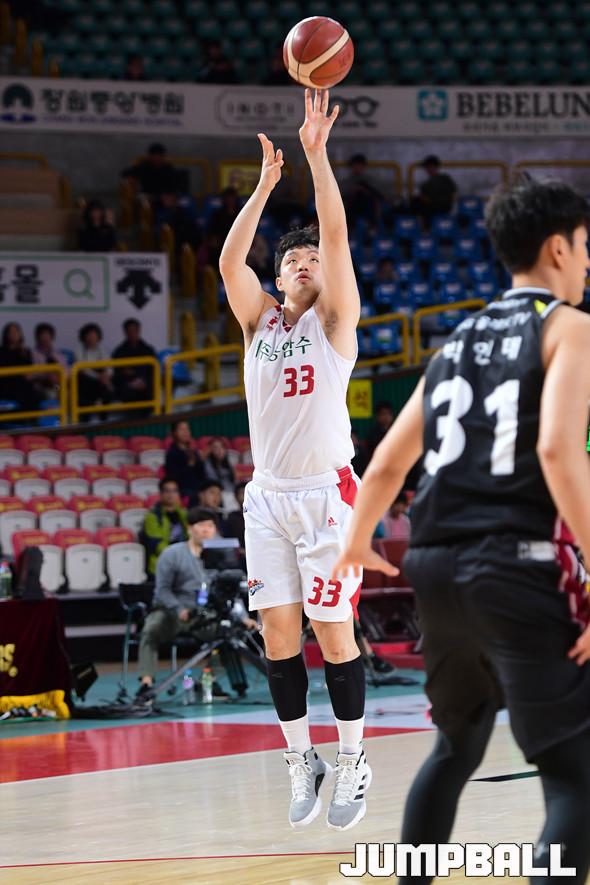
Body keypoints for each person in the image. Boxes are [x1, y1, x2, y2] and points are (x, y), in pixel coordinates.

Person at [333, 177, 590, 883]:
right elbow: (558, 451)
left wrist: (356, 543)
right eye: (585, 246)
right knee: (574, 773)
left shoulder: (455, 342)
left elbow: (388, 463)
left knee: (457, 745)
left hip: (435, 566)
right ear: (558, 248)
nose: (587, 261)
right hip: (512, 561)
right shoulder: (569, 327)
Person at [219, 88, 370, 831]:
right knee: (278, 636)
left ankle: (353, 760)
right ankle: (300, 759)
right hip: (269, 497)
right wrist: (263, 188)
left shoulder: (336, 323)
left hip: (327, 494)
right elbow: (228, 261)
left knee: (333, 634)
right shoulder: (258, 324)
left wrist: (316, 156)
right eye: (293, 259)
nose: (306, 262)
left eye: (312, 259)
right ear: (278, 278)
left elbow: (335, 235)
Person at [135, 507, 225, 699]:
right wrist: (178, 609)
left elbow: (225, 590)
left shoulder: (218, 556)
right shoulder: (172, 554)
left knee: (227, 632)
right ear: (190, 528)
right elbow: (162, 590)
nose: (206, 530)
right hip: (171, 611)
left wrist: (242, 617)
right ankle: (146, 682)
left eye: (210, 526)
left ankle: (209, 680)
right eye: (201, 525)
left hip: (201, 613)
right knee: (151, 629)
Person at [141, 478, 188, 577]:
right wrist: (178, 556)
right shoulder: (152, 516)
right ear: (161, 494)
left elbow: (190, 537)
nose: (171, 494)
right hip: (160, 567)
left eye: (174, 491)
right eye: (167, 491)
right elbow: (156, 544)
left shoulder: (184, 514)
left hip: (183, 566)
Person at [111, 318, 157, 409]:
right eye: (129, 331)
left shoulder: (148, 349)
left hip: (145, 383)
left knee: (151, 389)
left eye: (135, 330)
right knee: (126, 391)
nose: (132, 333)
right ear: (125, 332)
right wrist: (130, 381)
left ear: (139, 330)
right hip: (127, 384)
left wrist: (143, 381)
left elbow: (153, 370)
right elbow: (116, 373)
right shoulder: (119, 351)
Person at [0, 322, 41, 412]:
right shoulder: (1, 352)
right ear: (6, 335)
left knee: (34, 394)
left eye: (16, 331)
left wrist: (23, 354)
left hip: (23, 384)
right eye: (11, 332)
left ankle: (32, 418)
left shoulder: (25, 351)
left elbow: (29, 370)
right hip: (6, 385)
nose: (14, 334)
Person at [74, 322, 112, 417]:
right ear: (84, 337)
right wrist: (98, 377)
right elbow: (83, 369)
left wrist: (106, 376)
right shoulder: (78, 351)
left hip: (101, 381)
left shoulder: (103, 350)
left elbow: (109, 367)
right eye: (89, 335)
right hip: (86, 381)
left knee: (108, 388)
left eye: (94, 335)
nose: (91, 338)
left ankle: (103, 417)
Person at [164, 420, 206, 504]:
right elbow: (175, 479)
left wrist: (201, 462)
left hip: (199, 487)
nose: (185, 432)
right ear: (174, 433)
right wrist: (189, 465)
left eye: (187, 429)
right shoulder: (172, 453)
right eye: (181, 429)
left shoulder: (193, 451)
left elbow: (202, 475)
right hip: (184, 490)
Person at [412, 154, 457, 227]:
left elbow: (453, 194)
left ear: (435, 167)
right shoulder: (426, 183)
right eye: (426, 167)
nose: (427, 169)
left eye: (429, 166)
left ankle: (424, 227)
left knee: (418, 204)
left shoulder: (445, 179)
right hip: (433, 207)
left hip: (441, 207)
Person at [31, 321, 68, 398]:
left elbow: (66, 369)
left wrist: (57, 376)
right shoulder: (33, 354)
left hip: (58, 384)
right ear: (38, 337)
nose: (45, 338)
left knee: (67, 393)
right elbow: (33, 373)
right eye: (42, 335)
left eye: (47, 335)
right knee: (52, 394)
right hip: (42, 385)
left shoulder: (57, 353)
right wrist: (47, 374)